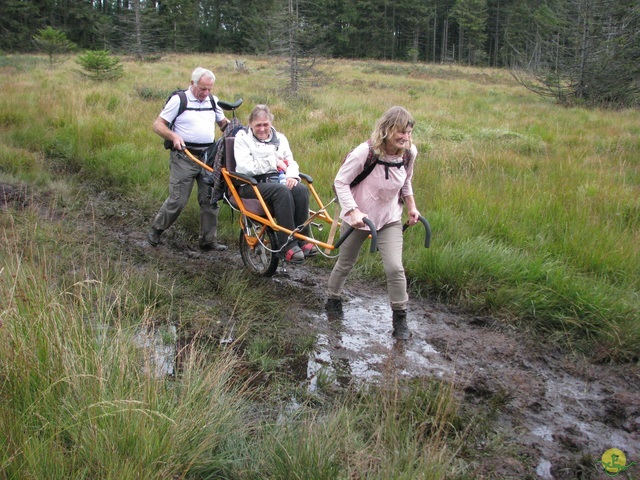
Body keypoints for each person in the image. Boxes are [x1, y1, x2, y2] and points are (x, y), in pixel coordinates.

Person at [325, 106, 421, 340]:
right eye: (401, 132)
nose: (405, 138)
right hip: (360, 219)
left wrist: (411, 207)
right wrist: (353, 211)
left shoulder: (409, 153)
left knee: (395, 268)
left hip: (389, 219)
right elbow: (341, 182)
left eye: (409, 133)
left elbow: (406, 181)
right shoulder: (365, 152)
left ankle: (400, 319)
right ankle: (333, 299)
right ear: (387, 130)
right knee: (346, 262)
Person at [147, 67, 230, 251]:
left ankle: (208, 241)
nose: (206, 93)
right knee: (178, 199)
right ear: (192, 83)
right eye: (202, 89)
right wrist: (173, 137)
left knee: (210, 199)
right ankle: (156, 230)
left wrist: (236, 130)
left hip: (209, 158)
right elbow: (158, 125)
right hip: (184, 157)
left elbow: (223, 124)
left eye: (209, 89)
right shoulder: (179, 100)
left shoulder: (212, 101)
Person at [233, 104, 315, 263]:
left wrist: (292, 176)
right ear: (250, 124)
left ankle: (302, 239)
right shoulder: (242, 138)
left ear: (270, 123)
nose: (262, 129)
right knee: (281, 192)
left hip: (277, 180)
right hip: (250, 184)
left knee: (300, 190)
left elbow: (290, 162)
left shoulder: (280, 138)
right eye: (258, 125)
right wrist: (273, 162)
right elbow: (245, 168)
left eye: (265, 124)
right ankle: (287, 244)